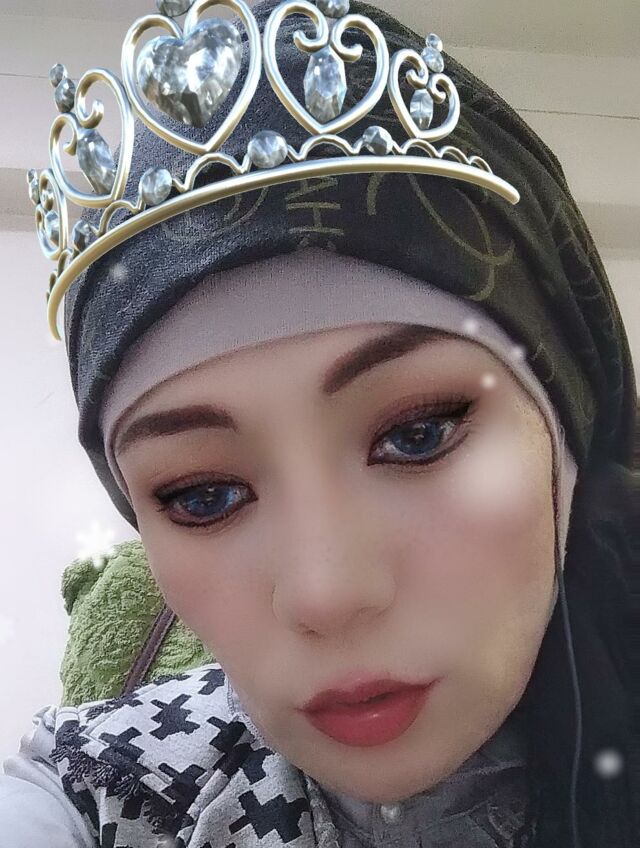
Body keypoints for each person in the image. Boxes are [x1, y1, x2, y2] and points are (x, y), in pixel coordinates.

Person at [1, 1, 637, 846]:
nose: (327, 596)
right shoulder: (112, 789)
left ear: (566, 436)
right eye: (203, 495)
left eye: (418, 434)